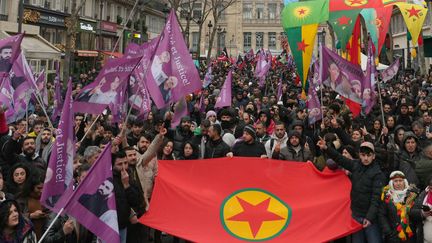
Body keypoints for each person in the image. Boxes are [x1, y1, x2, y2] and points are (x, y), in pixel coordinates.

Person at [317, 140, 384, 243]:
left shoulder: (377, 173)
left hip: (371, 218)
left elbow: (376, 198)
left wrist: (369, 217)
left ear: (373, 156)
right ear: (359, 155)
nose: (366, 158)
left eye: (369, 155)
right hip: (356, 215)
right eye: (363, 155)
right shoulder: (355, 165)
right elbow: (339, 158)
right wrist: (326, 148)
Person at [379, 171, 418, 243]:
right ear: (392, 183)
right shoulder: (386, 196)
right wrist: (388, 232)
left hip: (410, 234)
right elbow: (382, 215)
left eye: (400, 181)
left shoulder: (412, 195)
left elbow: (417, 213)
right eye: (395, 181)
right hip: (393, 234)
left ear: (404, 182)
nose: (398, 183)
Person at [410, 176, 432, 243]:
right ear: (428, 187)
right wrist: (422, 213)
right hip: (425, 238)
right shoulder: (423, 195)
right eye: (431, 188)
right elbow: (412, 212)